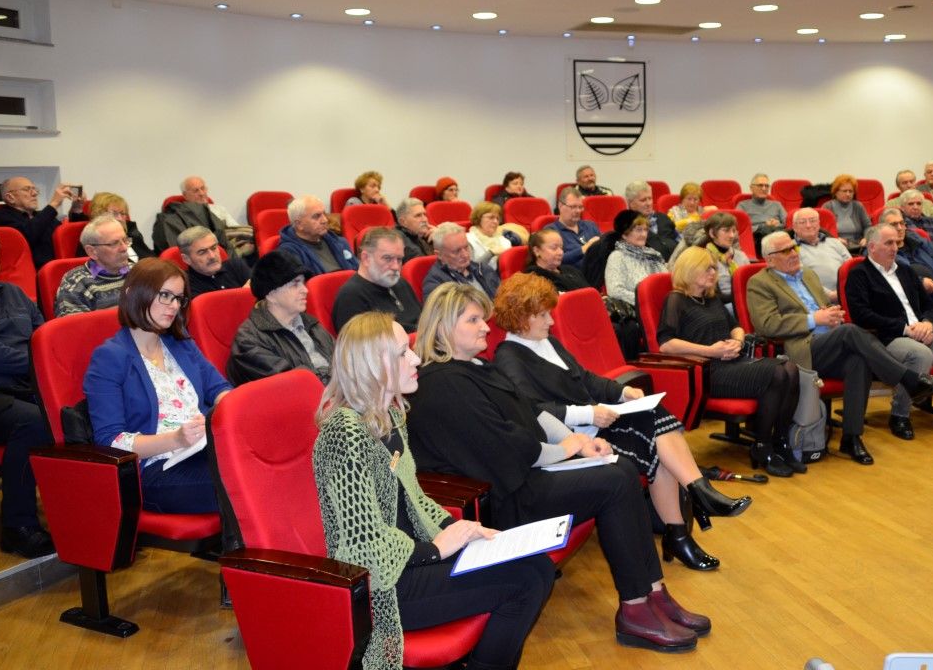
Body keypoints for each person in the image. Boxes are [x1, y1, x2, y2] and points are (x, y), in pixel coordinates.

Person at [407, 283, 711, 652]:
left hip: (524, 476)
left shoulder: (476, 367)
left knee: (620, 469)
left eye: (482, 319)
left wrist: (579, 442)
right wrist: (565, 450)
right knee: (615, 482)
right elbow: (507, 447)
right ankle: (635, 607)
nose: (486, 327)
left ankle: (653, 593)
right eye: (473, 320)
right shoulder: (444, 383)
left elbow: (532, 411)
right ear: (443, 326)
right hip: (500, 497)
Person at [314, 311, 555, 670]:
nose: (415, 359)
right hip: (385, 586)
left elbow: (415, 499)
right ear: (372, 365)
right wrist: (436, 549)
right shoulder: (344, 433)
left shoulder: (390, 415)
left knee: (539, 566)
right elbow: (364, 547)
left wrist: (463, 530)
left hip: (413, 561)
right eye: (402, 353)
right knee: (524, 581)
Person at [493, 273, 748, 571]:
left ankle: (684, 523)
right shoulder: (509, 357)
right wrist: (589, 413)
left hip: (594, 424)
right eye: (543, 315)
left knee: (656, 427)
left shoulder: (545, 341)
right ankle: (693, 508)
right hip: (576, 440)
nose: (551, 320)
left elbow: (585, 378)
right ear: (521, 317)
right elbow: (533, 410)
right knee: (657, 434)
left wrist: (622, 392)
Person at [746, 231, 933, 465]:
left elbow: (825, 306)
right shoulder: (759, 283)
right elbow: (766, 324)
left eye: (794, 247)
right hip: (800, 349)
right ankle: (909, 380)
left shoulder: (808, 275)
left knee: (858, 362)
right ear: (770, 259)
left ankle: (851, 437)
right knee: (850, 332)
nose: (793, 253)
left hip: (831, 341)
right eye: (785, 251)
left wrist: (832, 315)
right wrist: (813, 319)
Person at [84, 258, 232, 513]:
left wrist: (232, 411)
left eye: (178, 298)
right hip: (158, 469)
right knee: (246, 478)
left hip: (204, 449)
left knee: (273, 459)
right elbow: (111, 440)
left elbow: (219, 389)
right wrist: (176, 438)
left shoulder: (181, 344)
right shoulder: (109, 357)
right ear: (133, 293)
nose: (173, 305)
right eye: (165, 295)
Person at [658, 247, 803, 476]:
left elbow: (736, 327)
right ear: (690, 269)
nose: (713, 273)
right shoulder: (676, 300)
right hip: (708, 371)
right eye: (707, 268)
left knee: (791, 370)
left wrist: (737, 341)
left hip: (733, 361)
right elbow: (666, 344)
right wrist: (710, 351)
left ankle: (780, 442)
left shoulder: (711, 299)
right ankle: (762, 446)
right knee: (777, 374)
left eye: (714, 268)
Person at [845, 223, 933, 439]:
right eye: (889, 243)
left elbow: (930, 305)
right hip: (888, 338)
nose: (895, 248)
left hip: (924, 332)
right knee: (921, 354)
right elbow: (861, 315)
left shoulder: (906, 271)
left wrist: (928, 323)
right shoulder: (859, 274)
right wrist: (905, 329)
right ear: (872, 247)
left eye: (896, 243)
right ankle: (899, 415)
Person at [0, 223, 55, 558]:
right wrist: (40, 363)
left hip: (26, 386)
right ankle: (18, 528)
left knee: (85, 409)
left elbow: (44, 336)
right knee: (36, 422)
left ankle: (93, 513)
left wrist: (45, 362)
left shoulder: (14, 293)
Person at [227, 250, 333, 385]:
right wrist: (338, 382)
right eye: (295, 284)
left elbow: (344, 360)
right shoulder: (249, 340)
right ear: (271, 294)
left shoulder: (310, 323)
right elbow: (293, 384)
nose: (305, 290)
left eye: (303, 283)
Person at [333, 227, 422, 332]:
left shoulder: (401, 282)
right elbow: (362, 341)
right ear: (366, 258)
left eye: (399, 259)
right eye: (387, 258)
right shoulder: (351, 297)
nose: (396, 267)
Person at [0, 176, 85, 269]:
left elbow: (67, 238)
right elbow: (25, 238)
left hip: (60, 268)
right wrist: (54, 203)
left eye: (35, 189)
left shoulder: (41, 215)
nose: (35, 193)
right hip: (32, 272)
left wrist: (76, 209)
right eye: (27, 189)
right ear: (10, 197)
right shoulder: (0, 215)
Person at [881, 207, 933, 316]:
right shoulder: (879, 250)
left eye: (902, 223)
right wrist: (920, 283)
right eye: (894, 225)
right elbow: (892, 276)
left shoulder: (918, 241)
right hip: (907, 299)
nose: (899, 228)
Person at [54, 214, 131, 317]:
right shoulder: (77, 283)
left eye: (125, 240)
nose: (124, 248)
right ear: (92, 251)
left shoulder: (137, 273)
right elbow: (74, 326)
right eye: (114, 243)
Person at [277, 195, 358, 276]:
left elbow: (357, 271)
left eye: (324, 214)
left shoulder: (340, 242)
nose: (325, 220)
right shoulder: (288, 253)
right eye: (316, 216)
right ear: (299, 224)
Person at [422, 222, 500, 301]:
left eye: (466, 247)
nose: (465, 255)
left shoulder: (483, 269)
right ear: (439, 255)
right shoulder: (435, 284)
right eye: (456, 251)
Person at [604, 210, 667, 306]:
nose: (644, 235)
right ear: (624, 234)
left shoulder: (653, 254)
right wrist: (647, 300)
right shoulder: (617, 257)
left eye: (645, 230)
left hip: (662, 305)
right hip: (638, 308)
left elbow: (666, 280)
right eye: (638, 230)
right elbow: (615, 291)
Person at [180, 176, 254, 258]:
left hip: (230, 244)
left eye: (203, 188)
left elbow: (237, 229)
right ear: (185, 195)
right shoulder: (183, 215)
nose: (201, 193)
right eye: (196, 191)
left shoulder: (219, 209)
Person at [790, 208, 851, 300]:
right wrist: (830, 295)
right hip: (815, 300)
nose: (808, 225)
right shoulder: (790, 248)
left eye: (812, 221)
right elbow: (798, 278)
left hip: (847, 294)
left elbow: (852, 269)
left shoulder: (835, 242)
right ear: (794, 227)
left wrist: (847, 290)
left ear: (819, 224)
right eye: (802, 222)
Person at [177, 225, 251, 298]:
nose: (212, 256)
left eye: (213, 248)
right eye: (202, 252)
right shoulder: (184, 285)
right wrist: (245, 294)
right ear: (186, 259)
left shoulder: (236, 266)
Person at [88, 192, 152, 261]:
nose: (120, 218)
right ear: (99, 215)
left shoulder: (132, 233)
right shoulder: (91, 238)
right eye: (114, 213)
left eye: (122, 213)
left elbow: (150, 258)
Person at [547, 187, 600, 269]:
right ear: (560, 206)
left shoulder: (590, 226)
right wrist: (584, 249)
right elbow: (554, 260)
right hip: (571, 274)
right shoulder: (551, 231)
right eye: (573, 207)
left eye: (580, 207)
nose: (578, 211)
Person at [624, 180, 679, 260]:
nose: (648, 203)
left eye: (650, 198)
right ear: (631, 204)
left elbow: (679, 241)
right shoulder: (627, 227)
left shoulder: (663, 218)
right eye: (643, 200)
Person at [523, 229, 590, 292]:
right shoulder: (533, 280)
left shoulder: (571, 270)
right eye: (554, 248)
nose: (560, 252)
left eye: (561, 248)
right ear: (537, 251)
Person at [899, 189, 933, 260]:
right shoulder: (900, 225)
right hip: (915, 261)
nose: (916, 207)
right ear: (902, 208)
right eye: (911, 204)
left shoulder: (932, 222)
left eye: (919, 204)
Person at [823, 174, 871, 254]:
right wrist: (835, 240)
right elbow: (822, 231)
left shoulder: (858, 206)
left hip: (858, 246)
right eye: (844, 191)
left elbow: (868, 226)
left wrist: (866, 238)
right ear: (836, 192)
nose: (848, 194)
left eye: (850, 191)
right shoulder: (827, 207)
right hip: (836, 247)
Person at [737, 174, 784, 243]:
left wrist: (778, 224)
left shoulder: (777, 205)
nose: (764, 188)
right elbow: (739, 227)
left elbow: (788, 223)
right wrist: (763, 227)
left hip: (777, 235)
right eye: (760, 185)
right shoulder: (742, 205)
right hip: (756, 238)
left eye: (766, 186)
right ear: (751, 188)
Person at [466, 201, 512, 270]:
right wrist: (491, 253)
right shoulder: (468, 240)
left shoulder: (505, 241)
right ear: (479, 218)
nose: (495, 221)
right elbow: (470, 269)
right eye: (491, 217)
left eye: (497, 218)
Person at [394, 197, 433, 262]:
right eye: (418, 215)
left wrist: (437, 240)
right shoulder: (399, 241)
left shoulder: (417, 234)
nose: (424, 219)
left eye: (424, 214)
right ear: (403, 222)